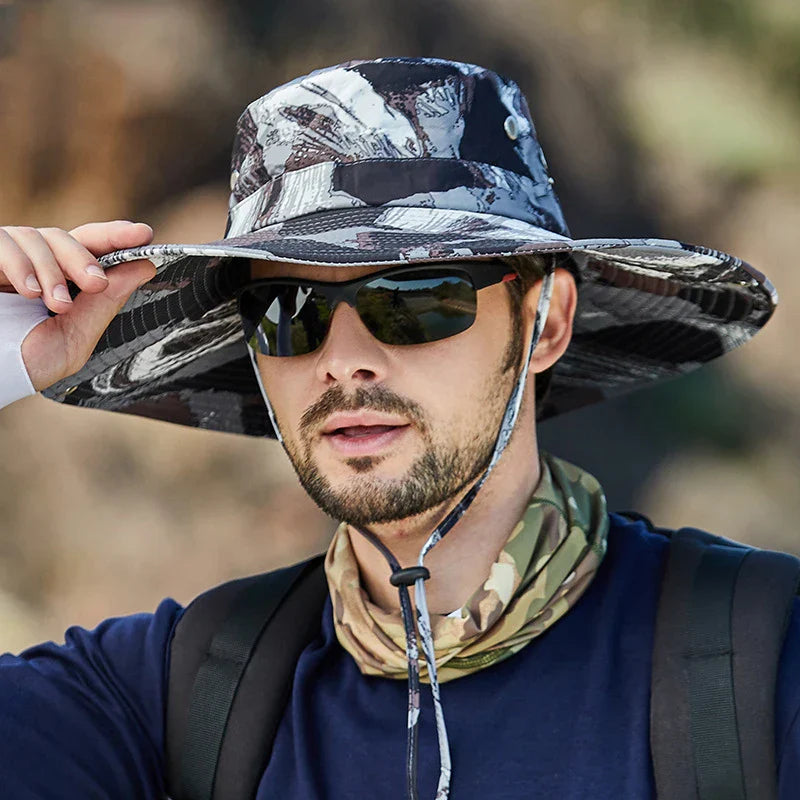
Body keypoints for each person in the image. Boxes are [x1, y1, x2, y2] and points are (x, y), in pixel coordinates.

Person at [0, 57, 797, 800]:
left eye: (416, 298)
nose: (344, 362)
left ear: (545, 321)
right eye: (288, 312)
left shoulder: (762, 660)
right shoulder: (173, 694)